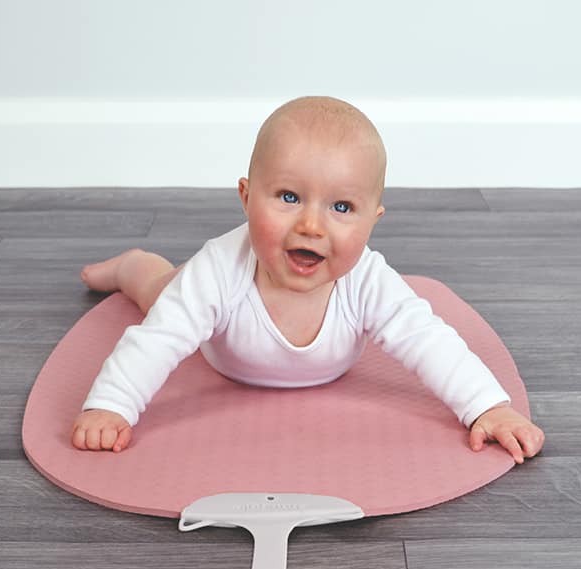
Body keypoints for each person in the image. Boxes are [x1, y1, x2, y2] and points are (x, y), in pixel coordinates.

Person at [72, 96, 545, 463]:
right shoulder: (219, 269)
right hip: (219, 350)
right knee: (159, 293)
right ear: (247, 196)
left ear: (372, 220)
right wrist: (112, 406)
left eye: (341, 208)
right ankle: (132, 264)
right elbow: (157, 341)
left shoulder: (367, 279)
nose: (311, 227)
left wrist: (486, 407)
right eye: (289, 197)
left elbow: (427, 340)